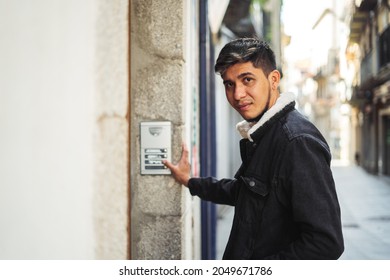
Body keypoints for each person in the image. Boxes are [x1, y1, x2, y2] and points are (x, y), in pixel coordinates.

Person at [163, 38, 344, 260]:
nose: (237, 94)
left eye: (247, 79)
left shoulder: (297, 142)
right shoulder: (264, 134)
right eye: (229, 84)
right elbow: (243, 193)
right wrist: (191, 181)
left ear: (274, 79)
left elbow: (325, 243)